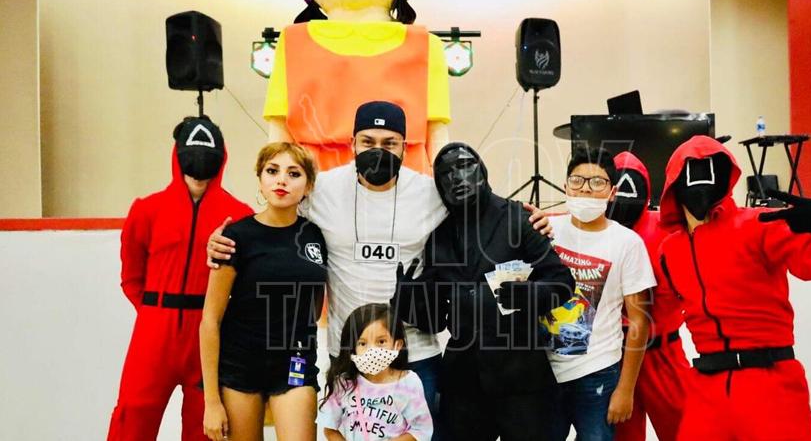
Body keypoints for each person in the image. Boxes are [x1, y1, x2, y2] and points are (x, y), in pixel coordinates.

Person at [207, 102, 556, 433]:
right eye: (368, 141)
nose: (378, 150)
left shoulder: (431, 193)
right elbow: (274, 215)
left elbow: (485, 209)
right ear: (352, 144)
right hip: (350, 353)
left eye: (389, 143)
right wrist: (223, 240)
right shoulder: (321, 189)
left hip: (415, 354)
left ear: (404, 147)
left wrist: (531, 220)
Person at [656, 135, 811, 441]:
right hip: (706, 390)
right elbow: (658, 313)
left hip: (770, 384)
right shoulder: (670, 250)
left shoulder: (757, 225)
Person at [413, 142, 575, 441]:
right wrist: (410, 298)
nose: (457, 178)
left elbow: (562, 282)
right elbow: (434, 321)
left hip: (522, 377)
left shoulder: (519, 218)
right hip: (463, 383)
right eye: (446, 174)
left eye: (465, 166)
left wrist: (531, 295)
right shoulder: (439, 237)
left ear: (482, 170)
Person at [107, 116, 252, 441]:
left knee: (205, 425)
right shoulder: (147, 210)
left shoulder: (239, 216)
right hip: (154, 330)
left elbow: (244, 284)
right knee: (133, 416)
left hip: (209, 332)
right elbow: (131, 276)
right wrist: (153, 313)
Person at [266, 0, 451, 173]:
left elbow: (437, 134)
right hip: (314, 175)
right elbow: (279, 132)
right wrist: (274, 175)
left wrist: (445, 181)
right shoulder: (293, 42)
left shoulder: (424, 45)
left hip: (403, 175)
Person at [199, 142, 327, 441]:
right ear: (260, 179)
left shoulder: (316, 235)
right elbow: (210, 320)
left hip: (295, 362)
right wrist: (211, 402)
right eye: (272, 171)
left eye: (293, 173)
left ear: (308, 186)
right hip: (241, 365)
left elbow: (314, 304)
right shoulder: (235, 237)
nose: (281, 180)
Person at [540, 147, 656, 441]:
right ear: (565, 185)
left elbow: (639, 321)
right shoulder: (546, 230)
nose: (586, 189)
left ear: (612, 191)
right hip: (543, 370)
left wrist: (626, 389)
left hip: (598, 372)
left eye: (597, 182)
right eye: (577, 180)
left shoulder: (627, 243)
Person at [608, 151, 687, 441]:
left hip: (662, 352)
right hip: (614, 356)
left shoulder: (669, 227)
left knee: (684, 431)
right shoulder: (594, 232)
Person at [318, 303, 433, 441]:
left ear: (397, 345)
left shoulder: (409, 383)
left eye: (381, 341)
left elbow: (421, 429)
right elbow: (329, 428)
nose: (372, 350)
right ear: (352, 347)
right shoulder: (343, 383)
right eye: (362, 343)